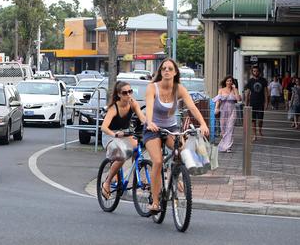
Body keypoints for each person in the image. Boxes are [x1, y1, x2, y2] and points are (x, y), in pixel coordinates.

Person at [144, 58, 209, 213]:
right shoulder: (152, 88)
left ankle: (175, 175)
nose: (166, 71)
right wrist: (150, 122)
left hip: (171, 128)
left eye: (170, 69)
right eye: (164, 68)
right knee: (158, 161)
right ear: (160, 72)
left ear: (175, 72)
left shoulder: (179, 89)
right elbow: (149, 109)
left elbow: (192, 107)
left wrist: (203, 123)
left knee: (184, 153)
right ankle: (154, 202)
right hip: (152, 129)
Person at [99, 81, 146, 199]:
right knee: (122, 155)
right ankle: (107, 181)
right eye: (125, 93)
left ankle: (135, 175)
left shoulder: (133, 103)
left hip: (125, 132)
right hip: (111, 134)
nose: (128, 95)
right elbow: (104, 127)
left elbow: (142, 117)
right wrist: (114, 135)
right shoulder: (114, 108)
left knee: (137, 147)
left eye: (130, 91)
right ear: (119, 94)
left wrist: (149, 125)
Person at [214, 75, 241, 153]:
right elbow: (218, 100)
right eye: (228, 81)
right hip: (223, 110)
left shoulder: (234, 89)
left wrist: (235, 89)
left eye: (231, 81)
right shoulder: (221, 90)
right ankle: (224, 145)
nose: (229, 82)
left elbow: (238, 99)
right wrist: (216, 108)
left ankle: (228, 146)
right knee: (223, 129)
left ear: (232, 82)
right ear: (225, 82)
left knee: (230, 128)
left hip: (232, 110)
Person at [244, 65, 269, 141]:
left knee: (260, 119)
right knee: (253, 120)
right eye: (254, 71)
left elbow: (265, 92)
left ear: (259, 72)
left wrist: (266, 102)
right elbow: (247, 93)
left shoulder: (263, 80)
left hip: (261, 102)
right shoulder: (250, 81)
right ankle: (254, 134)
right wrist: (246, 103)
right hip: (252, 102)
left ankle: (260, 130)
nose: (256, 72)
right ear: (252, 72)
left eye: (257, 71)